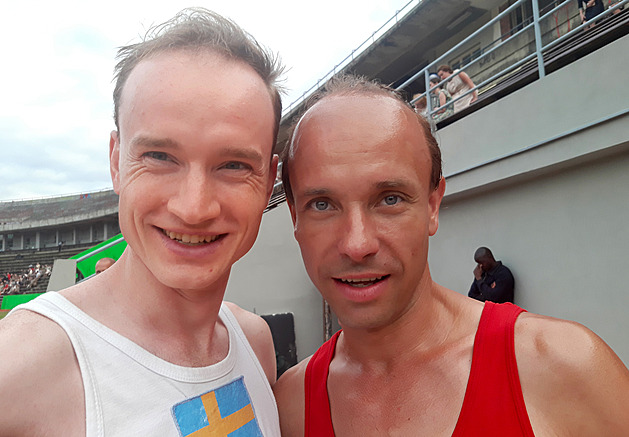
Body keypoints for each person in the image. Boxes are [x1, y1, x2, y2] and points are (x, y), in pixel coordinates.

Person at [274, 75, 629, 436]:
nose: (357, 243)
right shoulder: (287, 406)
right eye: (322, 204)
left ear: (432, 205)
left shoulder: (565, 369)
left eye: (390, 199)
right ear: (294, 217)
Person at [0, 8, 283, 436]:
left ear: (269, 181)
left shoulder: (255, 343)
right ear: (117, 161)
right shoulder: (25, 365)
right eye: (160, 157)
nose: (194, 208)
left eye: (233, 165)